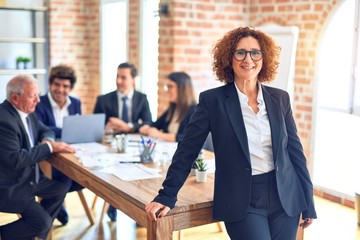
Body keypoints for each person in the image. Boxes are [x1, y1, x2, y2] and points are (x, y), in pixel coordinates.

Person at [145, 26, 317, 240]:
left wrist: (308, 202)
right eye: (240, 52)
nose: (248, 59)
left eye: (255, 52)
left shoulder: (280, 99)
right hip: (242, 199)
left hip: (285, 196)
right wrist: (167, 195)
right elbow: (187, 150)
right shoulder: (213, 101)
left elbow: (295, 152)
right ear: (229, 58)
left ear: (264, 58)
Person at [0, 75, 76, 240]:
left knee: (60, 189)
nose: (38, 100)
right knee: (41, 222)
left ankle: (31, 234)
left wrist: (48, 139)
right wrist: (49, 147)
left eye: (37, 95)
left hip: (30, 178)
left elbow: (46, 129)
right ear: (15, 98)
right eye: (32, 96)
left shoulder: (27, 111)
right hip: (11, 186)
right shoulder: (3, 120)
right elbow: (15, 159)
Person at [93, 62, 152, 221]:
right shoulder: (104, 100)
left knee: (144, 170)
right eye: (117, 77)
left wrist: (128, 127)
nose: (119, 81)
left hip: (134, 146)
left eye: (123, 77)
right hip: (111, 146)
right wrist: (108, 128)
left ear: (133, 79)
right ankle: (114, 203)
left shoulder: (142, 98)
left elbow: (148, 123)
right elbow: (96, 126)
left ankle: (142, 208)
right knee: (115, 171)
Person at [35, 64, 83, 225]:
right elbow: (41, 130)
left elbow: (78, 129)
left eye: (65, 86)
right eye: (57, 84)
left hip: (72, 153)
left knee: (86, 176)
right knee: (66, 177)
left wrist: (65, 131)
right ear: (50, 84)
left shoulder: (75, 103)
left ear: (70, 87)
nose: (60, 89)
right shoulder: (39, 103)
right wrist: (67, 129)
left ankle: (57, 203)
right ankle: (46, 218)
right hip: (48, 159)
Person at [139, 71, 197, 142]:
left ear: (182, 89)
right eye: (167, 87)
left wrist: (160, 135)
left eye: (170, 87)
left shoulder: (194, 110)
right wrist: (148, 127)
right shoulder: (173, 108)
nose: (167, 90)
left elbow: (188, 137)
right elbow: (156, 125)